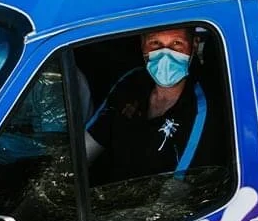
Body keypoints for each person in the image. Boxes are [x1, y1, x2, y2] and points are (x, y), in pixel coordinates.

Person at [85, 25, 218, 185]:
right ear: (142, 44)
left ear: (194, 45)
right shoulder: (130, 83)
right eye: (155, 43)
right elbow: (85, 149)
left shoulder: (199, 109)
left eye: (177, 43)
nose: (165, 55)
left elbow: (176, 192)